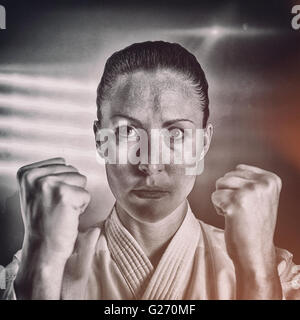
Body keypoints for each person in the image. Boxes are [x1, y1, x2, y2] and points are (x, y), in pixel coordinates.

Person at [1, 41, 300, 300]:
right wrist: (44, 265)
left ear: (204, 142)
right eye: (127, 131)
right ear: (99, 139)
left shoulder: (275, 274)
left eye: (176, 134)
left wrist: (258, 272)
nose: (150, 164)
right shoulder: (32, 268)